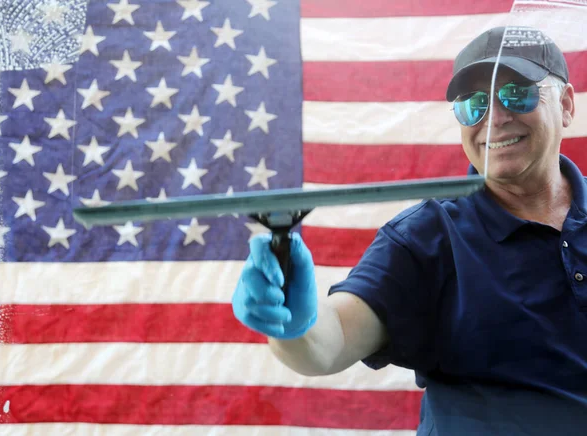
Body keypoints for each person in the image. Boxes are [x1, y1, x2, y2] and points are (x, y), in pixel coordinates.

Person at [232, 26, 587, 435]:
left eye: (517, 93)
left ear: (564, 104)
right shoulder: (427, 237)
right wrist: (291, 322)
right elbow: (332, 341)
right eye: (473, 104)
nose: (495, 117)